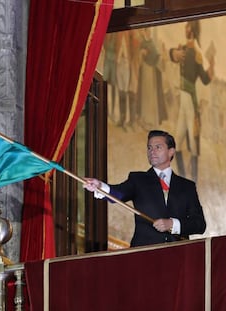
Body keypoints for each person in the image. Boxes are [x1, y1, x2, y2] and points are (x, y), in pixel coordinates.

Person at [83, 130, 206, 247]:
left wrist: (173, 224)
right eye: (149, 148)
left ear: (171, 152)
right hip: (144, 255)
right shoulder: (138, 180)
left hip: (178, 257)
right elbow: (118, 194)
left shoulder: (187, 186)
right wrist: (100, 186)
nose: (152, 151)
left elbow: (199, 224)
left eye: (158, 147)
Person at [169, 20, 214, 182]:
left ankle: (193, 180)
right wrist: (174, 52)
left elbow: (205, 79)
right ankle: (182, 178)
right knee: (177, 142)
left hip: (190, 98)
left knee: (193, 144)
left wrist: (211, 65)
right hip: (183, 99)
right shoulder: (184, 48)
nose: (185, 28)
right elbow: (171, 54)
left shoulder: (196, 51)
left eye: (188, 26)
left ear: (192, 30)